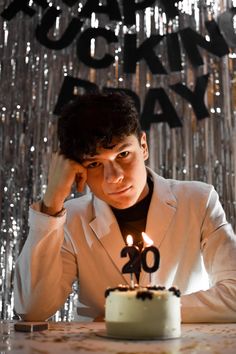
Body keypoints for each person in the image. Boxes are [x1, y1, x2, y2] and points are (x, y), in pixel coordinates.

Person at [14, 92, 236, 322]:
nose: (113, 177)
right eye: (95, 163)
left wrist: (139, 311)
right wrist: (52, 202)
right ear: (78, 168)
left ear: (143, 146)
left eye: (123, 154)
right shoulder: (71, 217)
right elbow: (32, 311)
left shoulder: (198, 200)